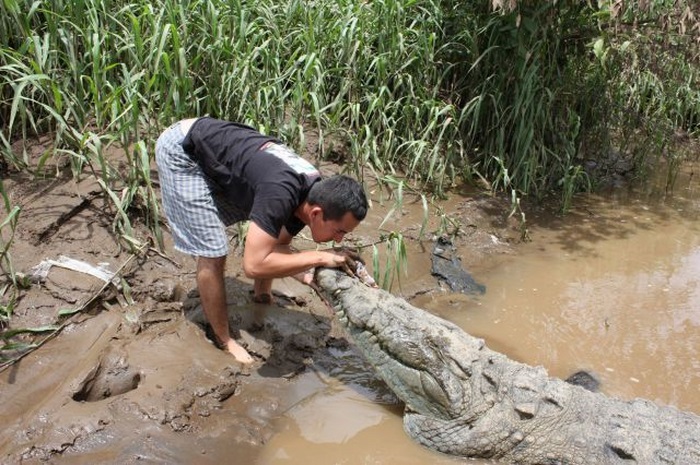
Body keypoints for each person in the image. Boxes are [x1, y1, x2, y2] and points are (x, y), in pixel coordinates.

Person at [155, 117, 369, 364]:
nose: (339, 239)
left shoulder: (310, 195)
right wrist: (320, 257)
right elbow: (254, 265)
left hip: (216, 149)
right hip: (182, 150)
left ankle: (261, 294)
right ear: (317, 214)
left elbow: (277, 245)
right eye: (340, 231)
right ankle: (224, 340)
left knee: (258, 231)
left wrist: (281, 287)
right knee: (213, 250)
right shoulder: (281, 192)